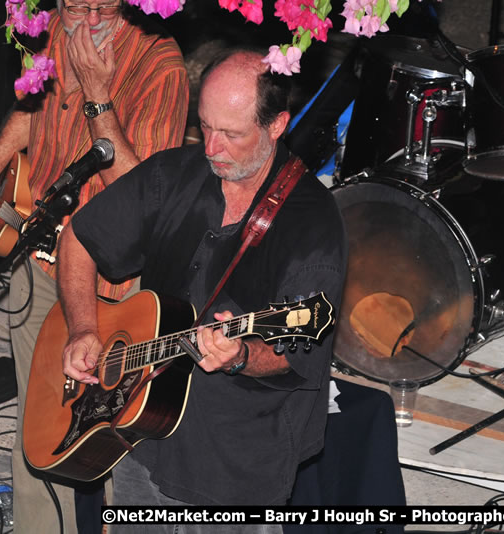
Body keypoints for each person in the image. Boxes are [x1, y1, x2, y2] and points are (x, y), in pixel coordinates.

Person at [57, 48, 347, 531]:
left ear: (277, 126)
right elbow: (79, 238)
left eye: (231, 134)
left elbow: (296, 353)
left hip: (234, 461)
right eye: (205, 125)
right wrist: (84, 327)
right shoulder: (173, 173)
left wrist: (239, 356)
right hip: (137, 430)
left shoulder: (313, 226)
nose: (211, 147)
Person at [0, 1, 188, 532]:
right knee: (37, 432)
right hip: (35, 257)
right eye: (73, 3)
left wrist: (97, 95)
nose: (86, 15)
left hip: (107, 282)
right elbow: (30, 107)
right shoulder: (50, 31)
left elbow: (144, 199)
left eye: (100, 4)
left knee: (103, 438)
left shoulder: (161, 65)